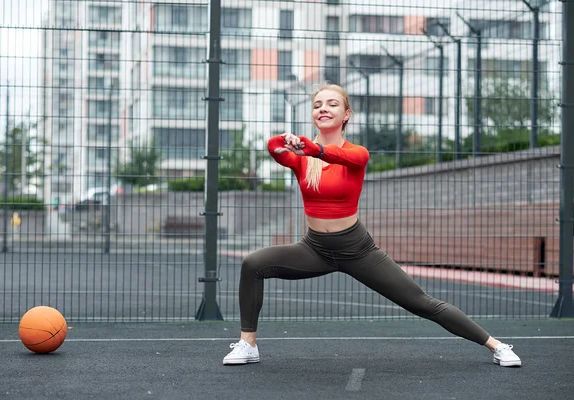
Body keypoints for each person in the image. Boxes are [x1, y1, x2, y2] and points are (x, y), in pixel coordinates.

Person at [222, 82, 521, 368]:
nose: (322, 109)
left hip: (357, 250)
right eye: (317, 105)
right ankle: (248, 345)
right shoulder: (303, 160)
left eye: (332, 104)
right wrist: (288, 141)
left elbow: (341, 156)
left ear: (346, 114)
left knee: (421, 303)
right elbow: (273, 148)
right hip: (314, 249)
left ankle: (496, 345)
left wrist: (313, 150)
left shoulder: (356, 154)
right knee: (253, 264)